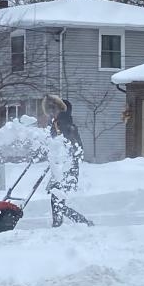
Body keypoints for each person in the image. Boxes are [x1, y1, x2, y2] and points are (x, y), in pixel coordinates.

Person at [42, 94, 93, 227]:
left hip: (67, 169)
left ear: (60, 110)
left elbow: (75, 147)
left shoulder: (65, 125)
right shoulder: (58, 124)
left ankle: (76, 223)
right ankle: (76, 223)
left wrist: (63, 157)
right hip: (62, 168)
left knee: (57, 199)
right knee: (57, 199)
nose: (52, 113)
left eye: (55, 110)